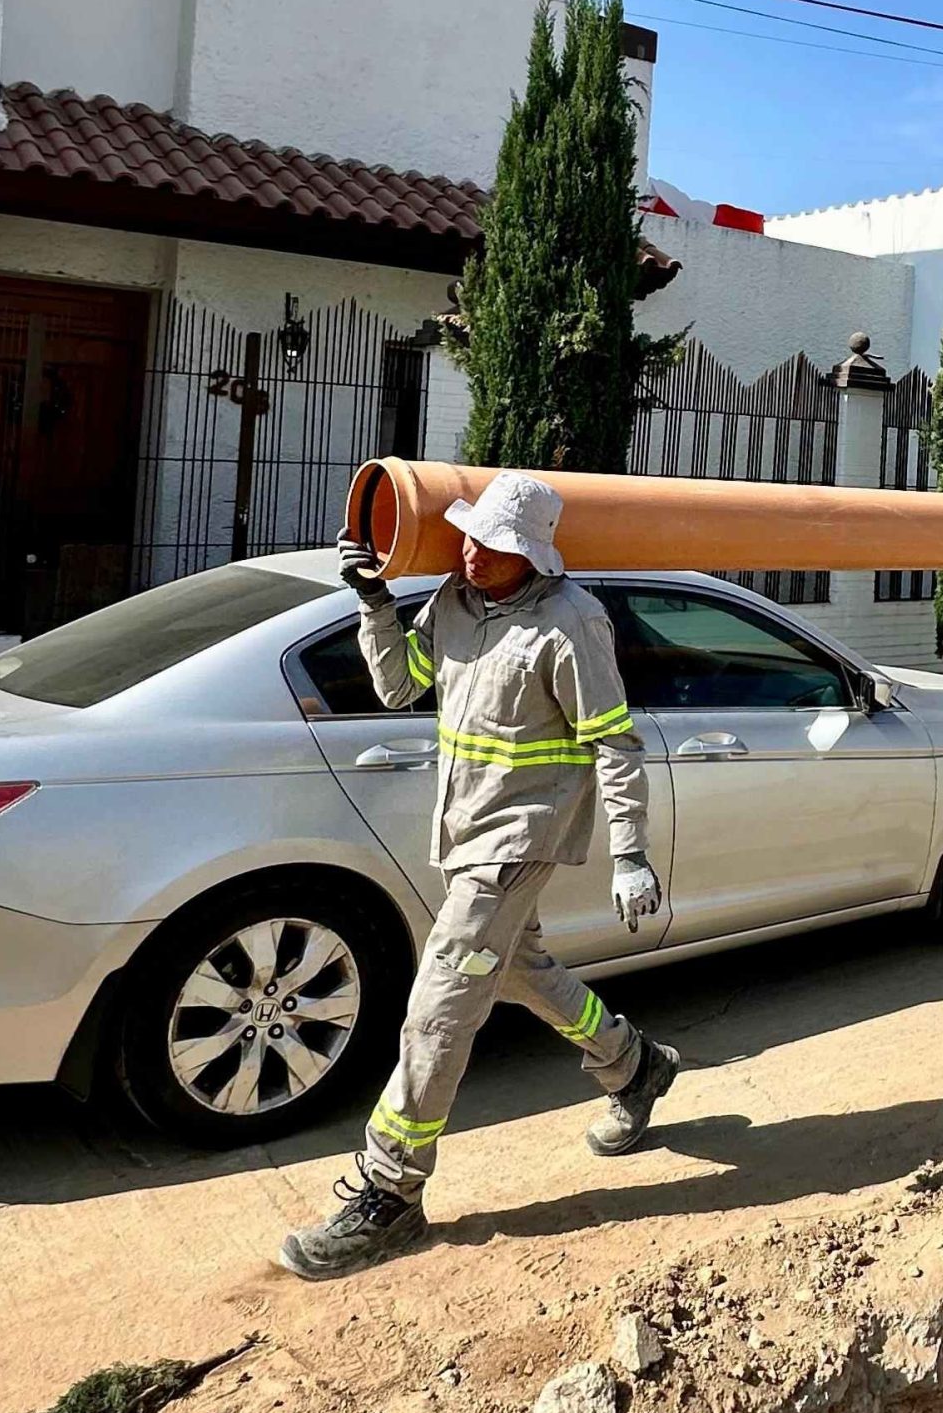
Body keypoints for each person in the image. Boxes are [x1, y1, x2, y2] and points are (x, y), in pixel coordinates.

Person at [279, 471, 680, 1280]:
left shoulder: (572, 625)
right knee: (518, 970)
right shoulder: (454, 605)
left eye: (490, 545)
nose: (469, 553)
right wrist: (372, 602)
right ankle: (634, 1063)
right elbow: (399, 685)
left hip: (519, 842)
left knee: (438, 1007)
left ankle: (390, 1193)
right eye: (466, 537)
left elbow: (614, 743)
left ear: (530, 553)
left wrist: (630, 851)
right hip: (463, 834)